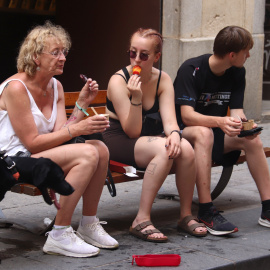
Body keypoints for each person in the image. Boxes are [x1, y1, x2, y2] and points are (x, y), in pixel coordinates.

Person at [0, 21, 119, 258]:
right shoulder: (16, 88)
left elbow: (59, 134)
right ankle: (59, 234)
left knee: (101, 149)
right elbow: (33, 142)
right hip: (12, 160)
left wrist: (82, 104)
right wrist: (78, 129)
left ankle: (88, 224)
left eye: (64, 52)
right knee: (88, 153)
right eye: (55, 53)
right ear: (35, 57)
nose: (63, 57)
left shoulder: (55, 85)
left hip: (37, 155)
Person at [103, 28, 207, 242]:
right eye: (132, 53)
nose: (136, 60)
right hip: (117, 138)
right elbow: (132, 130)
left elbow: (169, 121)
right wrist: (136, 97)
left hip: (145, 139)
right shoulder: (119, 80)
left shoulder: (163, 79)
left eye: (144, 55)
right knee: (164, 149)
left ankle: (185, 215)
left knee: (185, 148)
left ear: (156, 57)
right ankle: (141, 219)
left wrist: (176, 134)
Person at [174, 25, 270, 236]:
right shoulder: (191, 69)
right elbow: (187, 117)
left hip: (215, 132)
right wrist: (220, 122)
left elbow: (236, 111)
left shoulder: (237, 72)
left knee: (252, 140)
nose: (249, 55)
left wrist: (245, 126)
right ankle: (206, 211)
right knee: (204, 133)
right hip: (182, 134)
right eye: (246, 52)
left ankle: (267, 208)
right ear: (232, 54)